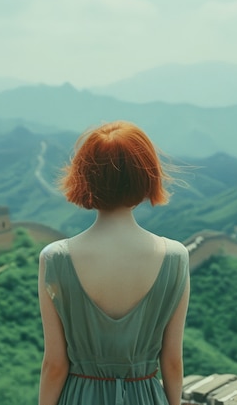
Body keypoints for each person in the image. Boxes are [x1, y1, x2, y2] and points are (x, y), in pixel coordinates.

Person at [38, 121, 190, 405]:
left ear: (84, 177)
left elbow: (55, 365)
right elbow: (171, 362)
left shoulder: (55, 258)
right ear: (147, 177)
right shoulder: (175, 257)